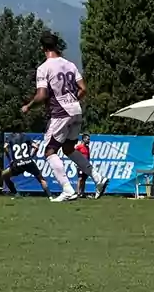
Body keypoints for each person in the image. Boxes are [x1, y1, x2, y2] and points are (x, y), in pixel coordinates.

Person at [21, 31, 108, 202]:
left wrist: (28, 106)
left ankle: (67, 190)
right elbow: (83, 88)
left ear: (43, 48)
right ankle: (98, 178)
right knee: (68, 149)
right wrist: (72, 100)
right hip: (76, 109)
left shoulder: (44, 68)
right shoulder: (70, 64)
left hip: (60, 112)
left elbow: (42, 95)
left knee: (49, 151)